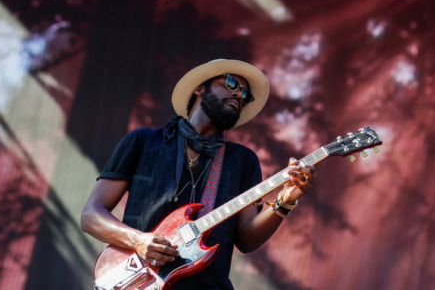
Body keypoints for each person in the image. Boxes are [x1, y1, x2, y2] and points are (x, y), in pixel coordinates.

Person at [81, 59, 314, 290]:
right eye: (232, 84)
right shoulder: (142, 142)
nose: (240, 95)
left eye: (246, 94)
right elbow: (91, 216)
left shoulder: (242, 160)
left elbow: (246, 240)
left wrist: (285, 202)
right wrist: (138, 241)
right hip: (135, 281)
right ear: (200, 87)